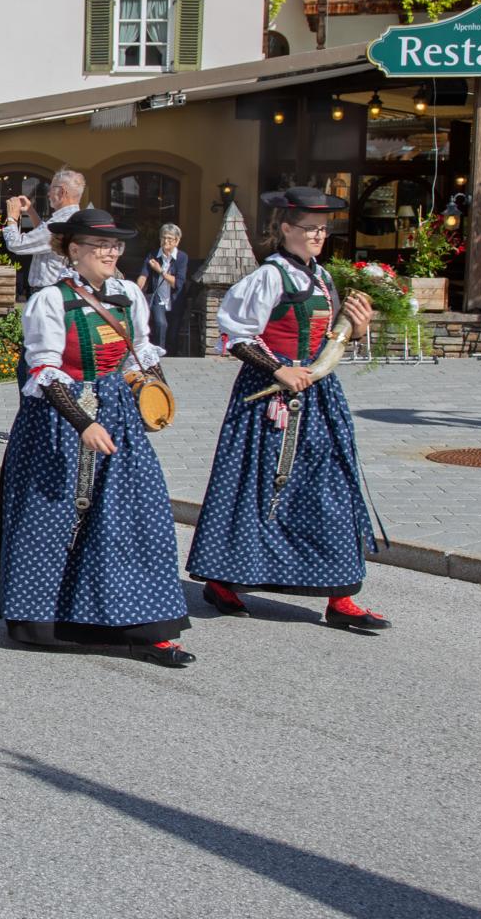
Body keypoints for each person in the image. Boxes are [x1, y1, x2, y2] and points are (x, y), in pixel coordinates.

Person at [0, 208, 194, 667]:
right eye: (99, 245)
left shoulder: (127, 296)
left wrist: (157, 392)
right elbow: (44, 371)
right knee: (57, 518)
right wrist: (82, 423)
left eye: (115, 245)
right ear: (73, 250)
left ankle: (145, 626)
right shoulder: (50, 301)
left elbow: (139, 352)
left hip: (117, 412)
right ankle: (44, 621)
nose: (110, 252)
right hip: (59, 422)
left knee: (139, 515)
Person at [186, 187, 388, 630]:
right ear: (284, 228)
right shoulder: (270, 277)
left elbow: (329, 341)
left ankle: (341, 596)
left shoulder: (322, 278)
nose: (318, 235)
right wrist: (279, 370)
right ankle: (223, 580)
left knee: (332, 488)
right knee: (254, 487)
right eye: (309, 228)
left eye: (323, 228)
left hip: (318, 396)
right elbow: (235, 335)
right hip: (269, 399)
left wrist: (356, 328)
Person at [2, 168, 85, 289]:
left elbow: (15, 244)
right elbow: (45, 238)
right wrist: (31, 212)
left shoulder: (59, 224)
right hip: (58, 289)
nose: (48, 193)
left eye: (51, 188)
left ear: (62, 192)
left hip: (48, 291)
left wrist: (12, 218)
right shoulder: (75, 218)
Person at [136, 223, 189, 356]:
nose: (166, 241)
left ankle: (172, 357)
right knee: (161, 324)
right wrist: (136, 291)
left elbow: (177, 284)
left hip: (175, 300)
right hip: (158, 297)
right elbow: (143, 275)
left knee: (173, 332)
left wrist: (160, 271)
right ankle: (159, 356)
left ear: (177, 241)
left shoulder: (182, 258)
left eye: (170, 238)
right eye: (163, 238)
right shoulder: (153, 255)